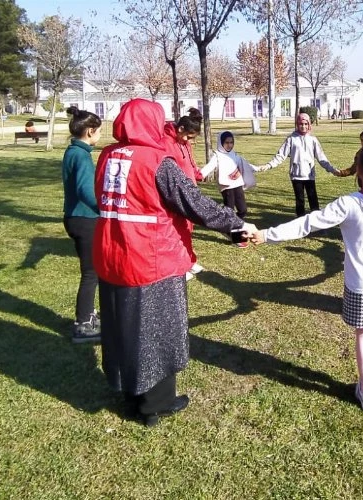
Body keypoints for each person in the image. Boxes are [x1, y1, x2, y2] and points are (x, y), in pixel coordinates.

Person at [93, 98, 257, 426]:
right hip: (151, 260)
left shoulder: (107, 156)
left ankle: (132, 395)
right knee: (156, 331)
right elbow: (193, 202)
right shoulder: (157, 161)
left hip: (113, 257)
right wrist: (236, 223)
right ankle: (155, 403)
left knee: (124, 329)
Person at [251, 145, 363, 413]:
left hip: (362, 286)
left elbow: (307, 223)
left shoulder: (348, 204)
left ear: (359, 171)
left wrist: (267, 234)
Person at [62, 106, 103, 344]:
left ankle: (87, 316)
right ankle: (83, 324)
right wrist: (104, 208)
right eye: (98, 132)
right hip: (85, 220)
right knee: (91, 274)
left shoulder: (72, 151)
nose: (99, 136)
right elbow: (86, 191)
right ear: (89, 131)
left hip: (74, 217)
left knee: (91, 272)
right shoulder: (82, 156)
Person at [255, 113, 338, 217]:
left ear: (309, 125)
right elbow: (281, 155)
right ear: (297, 124)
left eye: (305, 124)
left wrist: (332, 169)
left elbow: (321, 158)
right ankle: (300, 224)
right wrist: (269, 165)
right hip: (296, 176)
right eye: (300, 124)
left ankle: (317, 223)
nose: (303, 126)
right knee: (300, 201)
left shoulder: (313, 140)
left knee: (313, 200)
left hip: (309, 175)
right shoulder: (291, 139)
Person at [163, 108, 205, 279]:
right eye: (188, 137)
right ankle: (180, 267)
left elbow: (189, 162)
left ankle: (189, 260)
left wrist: (196, 172)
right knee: (178, 230)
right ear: (180, 129)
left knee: (188, 229)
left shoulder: (184, 144)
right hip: (177, 193)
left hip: (189, 191)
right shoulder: (167, 143)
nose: (189, 141)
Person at [200, 131, 256, 248]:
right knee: (229, 211)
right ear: (221, 143)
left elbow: (247, 165)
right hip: (227, 187)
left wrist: (261, 168)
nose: (229, 145)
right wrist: (199, 175)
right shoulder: (217, 156)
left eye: (231, 142)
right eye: (226, 142)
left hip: (238, 185)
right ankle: (234, 236)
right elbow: (209, 167)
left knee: (243, 210)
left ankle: (228, 227)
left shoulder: (235, 155)